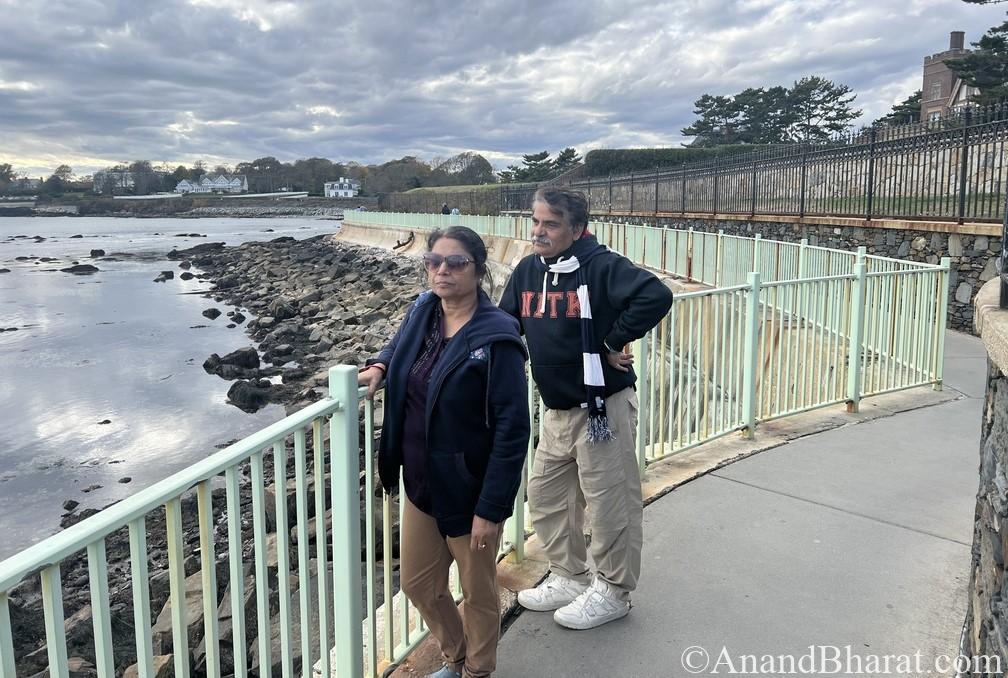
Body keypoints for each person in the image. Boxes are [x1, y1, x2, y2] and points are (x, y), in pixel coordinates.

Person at [359, 226, 530, 678]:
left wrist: (492, 508)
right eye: (433, 261)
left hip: (469, 489)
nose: (441, 271)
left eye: (455, 263)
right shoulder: (423, 311)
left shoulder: (497, 337)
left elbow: (513, 427)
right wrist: (379, 363)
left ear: (477, 269)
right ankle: (455, 655)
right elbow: (399, 346)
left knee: (477, 590)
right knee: (417, 582)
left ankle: (477, 669)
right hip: (420, 482)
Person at [499, 187, 673, 630]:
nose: (539, 231)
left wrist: (611, 341)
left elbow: (655, 296)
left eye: (550, 224)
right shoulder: (526, 271)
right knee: (547, 497)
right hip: (556, 409)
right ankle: (570, 576)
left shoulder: (601, 266)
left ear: (577, 229)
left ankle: (614, 592)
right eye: (535, 221)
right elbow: (505, 323)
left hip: (602, 410)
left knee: (610, 504)